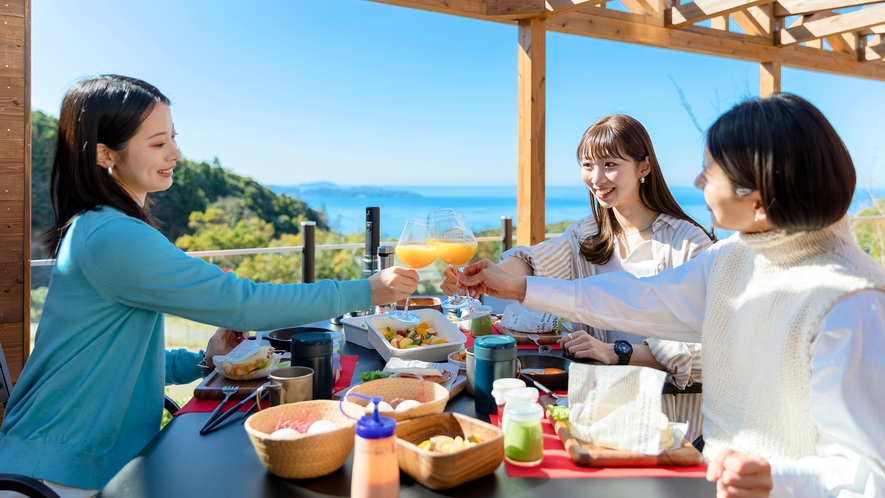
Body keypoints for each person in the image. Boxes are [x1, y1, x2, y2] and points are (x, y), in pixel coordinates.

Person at [0, 75, 419, 496]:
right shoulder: (112, 237)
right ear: (105, 154)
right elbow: (241, 304)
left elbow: (112, 356)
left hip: (84, 457)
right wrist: (367, 290)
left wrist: (205, 360)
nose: (176, 153)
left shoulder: (100, 227)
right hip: (57, 471)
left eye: (174, 138)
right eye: (158, 142)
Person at [456, 93, 885, 497]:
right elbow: (640, 298)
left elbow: (867, 473)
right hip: (710, 474)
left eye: (711, 172)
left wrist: (778, 481)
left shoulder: (851, 302)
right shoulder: (735, 256)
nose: (698, 180)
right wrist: (517, 286)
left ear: (759, 198)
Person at [441, 114, 713, 440]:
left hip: (667, 420)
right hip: (598, 410)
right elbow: (531, 262)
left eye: (610, 164)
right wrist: (487, 276)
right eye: (587, 165)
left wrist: (616, 352)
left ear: (644, 167)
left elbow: (711, 348)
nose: (596, 177)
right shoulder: (588, 234)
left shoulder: (688, 243)